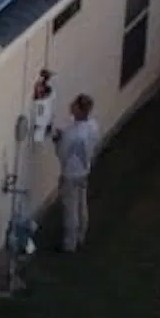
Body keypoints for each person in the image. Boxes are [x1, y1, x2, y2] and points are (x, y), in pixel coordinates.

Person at [57, 93, 102, 250]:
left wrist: (57, 141)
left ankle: (70, 242)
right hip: (84, 171)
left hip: (70, 173)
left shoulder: (72, 133)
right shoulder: (92, 126)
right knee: (82, 204)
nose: (71, 105)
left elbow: (62, 153)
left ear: (79, 110)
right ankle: (82, 235)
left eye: (74, 104)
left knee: (70, 208)